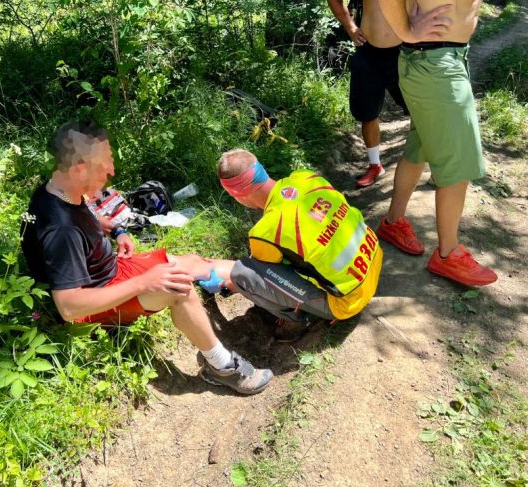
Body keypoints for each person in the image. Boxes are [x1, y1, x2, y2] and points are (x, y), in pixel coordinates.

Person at [20, 122, 272, 395]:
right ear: (79, 169)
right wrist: (144, 283)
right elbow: (69, 307)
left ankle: (267, 280)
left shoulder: (61, 188)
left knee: (192, 262)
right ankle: (223, 367)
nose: (112, 171)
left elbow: (87, 219)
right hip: (95, 300)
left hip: (112, 270)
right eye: (105, 165)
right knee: (178, 287)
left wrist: (116, 230)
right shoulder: (60, 229)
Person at [375, 0, 498, 286]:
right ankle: (448, 255)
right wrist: (407, 32)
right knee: (458, 163)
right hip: (434, 63)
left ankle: (393, 223)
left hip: (443, 58)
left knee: (420, 148)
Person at [204, 149, 383, 339]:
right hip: (372, 265)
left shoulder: (266, 230)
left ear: (237, 195)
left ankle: (296, 319)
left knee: (242, 272)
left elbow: (263, 275)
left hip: (347, 302)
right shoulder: (306, 178)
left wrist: (232, 284)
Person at [327, 0, 410, 187]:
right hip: (368, 52)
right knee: (367, 113)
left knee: (420, 112)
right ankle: (375, 165)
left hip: (404, 53)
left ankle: (435, 164)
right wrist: (350, 27)